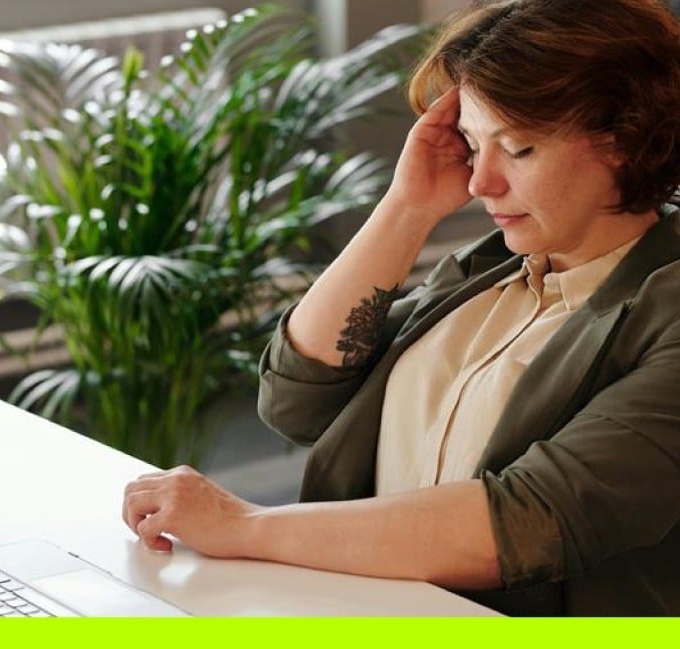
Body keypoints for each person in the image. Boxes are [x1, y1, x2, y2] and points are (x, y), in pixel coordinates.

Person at [122, 0, 680, 616]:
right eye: (472, 144)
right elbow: (298, 399)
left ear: (626, 140)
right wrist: (406, 207)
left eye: (518, 148)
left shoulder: (664, 309)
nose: (479, 183)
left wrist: (245, 525)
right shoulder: (490, 270)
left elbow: (531, 520)